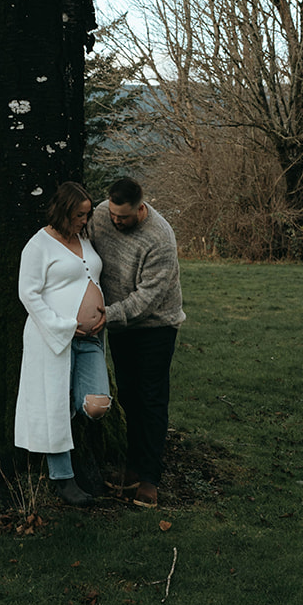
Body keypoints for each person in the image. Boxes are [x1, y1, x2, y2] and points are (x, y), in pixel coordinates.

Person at [89, 176, 185, 510]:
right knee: (128, 395)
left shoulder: (160, 237)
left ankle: (150, 479)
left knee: (151, 398)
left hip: (155, 327)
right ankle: (131, 468)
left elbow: (147, 299)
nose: (116, 221)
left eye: (124, 217)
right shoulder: (101, 214)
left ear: (141, 208)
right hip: (119, 326)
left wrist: (106, 315)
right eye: (114, 214)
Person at [14, 181, 112, 508]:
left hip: (91, 340)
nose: (84, 221)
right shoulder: (38, 245)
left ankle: (79, 458)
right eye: (79, 215)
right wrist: (64, 327)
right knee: (54, 405)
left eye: (87, 215)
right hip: (52, 339)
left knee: (96, 405)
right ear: (62, 210)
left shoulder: (83, 240)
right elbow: (28, 294)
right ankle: (63, 480)